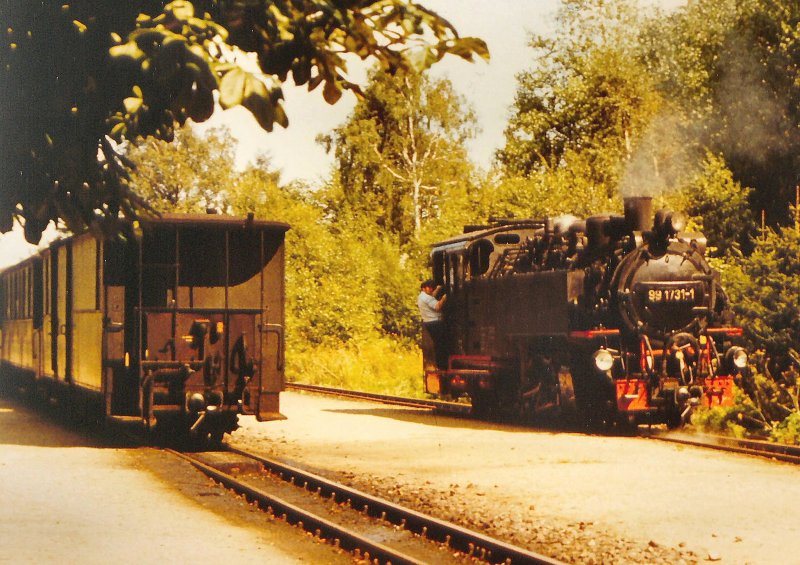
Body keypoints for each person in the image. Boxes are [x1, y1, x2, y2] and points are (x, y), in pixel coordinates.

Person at [417, 279, 448, 369]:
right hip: (434, 322)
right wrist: (444, 297)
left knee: (438, 343)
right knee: (440, 344)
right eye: (429, 287)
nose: (431, 289)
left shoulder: (422, 297)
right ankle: (442, 365)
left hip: (430, 323)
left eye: (432, 288)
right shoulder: (426, 297)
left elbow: (431, 299)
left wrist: (437, 289)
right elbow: (437, 306)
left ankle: (440, 365)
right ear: (423, 288)